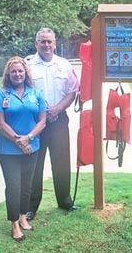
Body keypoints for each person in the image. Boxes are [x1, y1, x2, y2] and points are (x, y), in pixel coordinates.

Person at [25, 28, 80, 220]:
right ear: (36, 43)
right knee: (34, 164)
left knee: (62, 162)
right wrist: (41, 112)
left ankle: (65, 201)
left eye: (49, 41)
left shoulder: (64, 65)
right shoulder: (28, 65)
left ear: (55, 44)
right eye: (42, 41)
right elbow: (22, 91)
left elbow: (72, 91)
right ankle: (31, 206)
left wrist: (57, 109)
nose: (46, 45)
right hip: (35, 122)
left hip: (59, 120)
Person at [0, 56, 47, 241]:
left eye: (20, 71)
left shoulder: (36, 93)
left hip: (32, 147)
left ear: (25, 73)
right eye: (13, 71)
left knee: (26, 185)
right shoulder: (1, 94)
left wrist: (29, 138)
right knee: (14, 186)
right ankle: (14, 223)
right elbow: (0, 123)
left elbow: (42, 121)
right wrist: (19, 141)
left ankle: (23, 216)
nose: (17, 74)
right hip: (8, 150)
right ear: (8, 73)